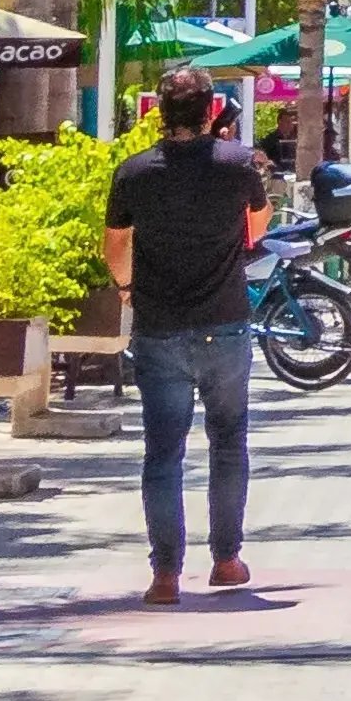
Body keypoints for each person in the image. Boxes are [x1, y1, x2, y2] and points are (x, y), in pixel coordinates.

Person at [98, 68, 269, 606]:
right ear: (212, 108)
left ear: (159, 112)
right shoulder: (238, 164)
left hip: (159, 328)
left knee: (163, 453)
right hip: (226, 322)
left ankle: (166, 574)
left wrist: (126, 287)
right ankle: (226, 559)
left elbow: (115, 245)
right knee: (228, 443)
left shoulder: (134, 173)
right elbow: (257, 227)